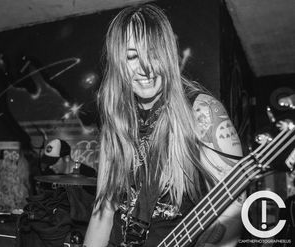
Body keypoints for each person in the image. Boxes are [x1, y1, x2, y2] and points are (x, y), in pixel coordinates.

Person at [84, 4, 244, 247]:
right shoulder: (116, 120)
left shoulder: (202, 112)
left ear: (168, 54)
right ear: (117, 62)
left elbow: (232, 210)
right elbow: (104, 209)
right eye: (131, 56)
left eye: (153, 53)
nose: (145, 67)